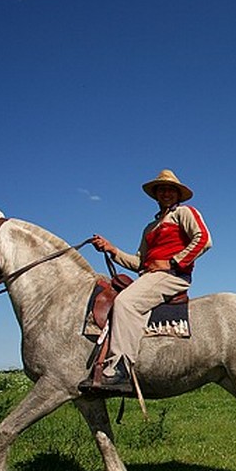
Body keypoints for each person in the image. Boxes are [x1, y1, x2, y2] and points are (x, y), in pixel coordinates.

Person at [79, 169, 212, 394]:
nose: (166, 193)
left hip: (172, 276)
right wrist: (112, 250)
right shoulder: (150, 228)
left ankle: (120, 367)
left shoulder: (184, 213)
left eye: (171, 189)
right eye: (162, 190)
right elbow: (140, 262)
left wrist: (172, 263)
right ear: (156, 194)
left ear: (178, 194)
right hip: (151, 276)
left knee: (125, 303)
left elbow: (204, 239)